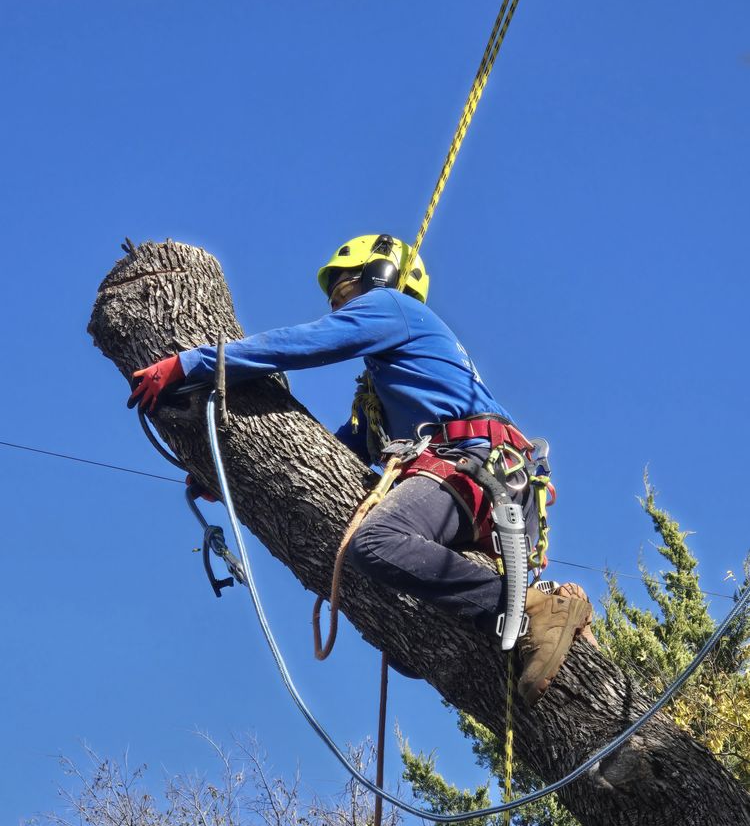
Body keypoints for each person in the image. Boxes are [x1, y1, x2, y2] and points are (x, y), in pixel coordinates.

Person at [129, 234, 594, 705]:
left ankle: (534, 607)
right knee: (410, 645)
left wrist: (196, 363)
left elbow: (306, 344)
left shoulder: (393, 308)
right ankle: (521, 613)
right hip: (486, 481)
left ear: (381, 276)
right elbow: (347, 446)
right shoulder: (384, 385)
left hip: (474, 467)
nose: (337, 304)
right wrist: (220, 470)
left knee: (376, 543)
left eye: (346, 289)